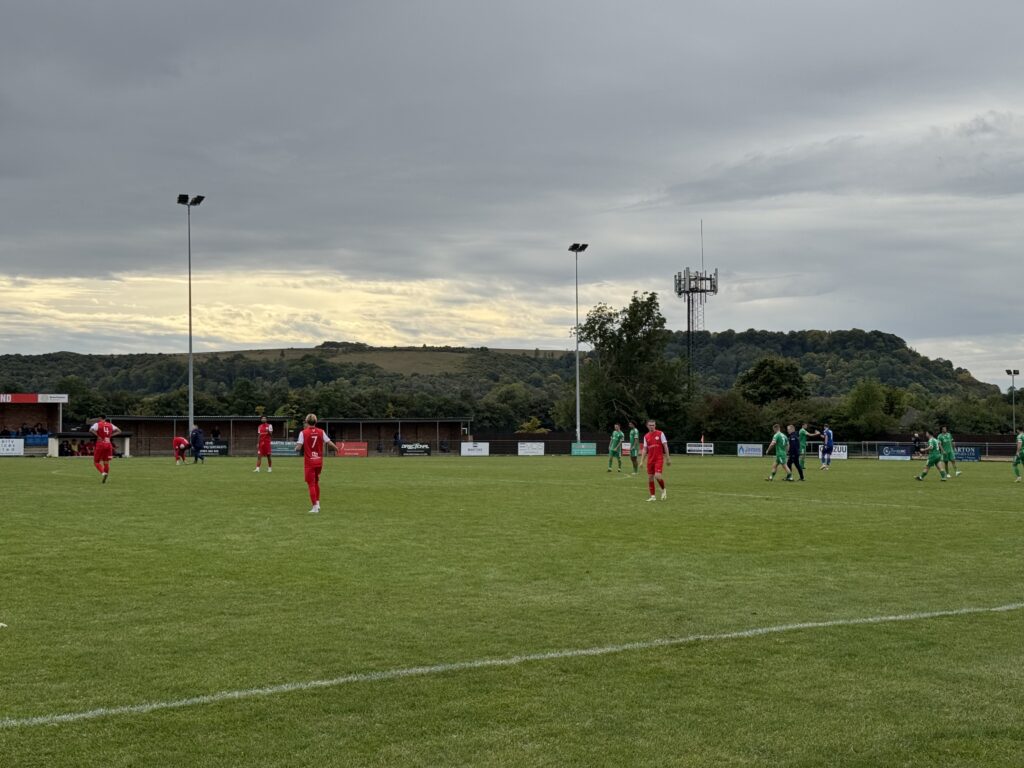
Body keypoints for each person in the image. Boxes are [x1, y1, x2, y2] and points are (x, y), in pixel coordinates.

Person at [295, 413, 341, 514]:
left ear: (306, 422)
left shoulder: (303, 433)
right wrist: (336, 448)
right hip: (319, 462)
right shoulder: (321, 431)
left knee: (311, 484)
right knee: (316, 482)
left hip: (309, 462)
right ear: (316, 422)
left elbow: (298, 447)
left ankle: (315, 507)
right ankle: (318, 503)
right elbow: (329, 442)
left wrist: (296, 447)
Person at [638, 418, 670, 501]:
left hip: (659, 459)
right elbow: (645, 449)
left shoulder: (660, 433)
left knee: (657, 476)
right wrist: (641, 461)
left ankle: (663, 490)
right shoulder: (646, 436)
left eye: (653, 425)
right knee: (650, 477)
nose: (651, 427)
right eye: (650, 425)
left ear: (655, 425)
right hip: (650, 460)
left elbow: (665, 446)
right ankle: (653, 496)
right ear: (647, 426)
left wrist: (667, 458)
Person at [90, 415, 121, 483]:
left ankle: (103, 472)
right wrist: (110, 435)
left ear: (100, 418)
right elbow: (119, 431)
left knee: (96, 462)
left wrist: (98, 436)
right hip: (108, 444)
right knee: (106, 462)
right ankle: (106, 475)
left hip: (100, 444)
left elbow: (91, 430)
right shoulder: (110, 425)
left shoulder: (97, 424)